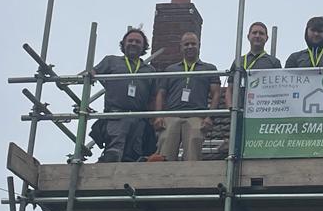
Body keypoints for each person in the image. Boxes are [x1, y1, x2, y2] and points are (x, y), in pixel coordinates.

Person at [92, 28, 159, 162]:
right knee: (115, 149)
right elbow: (92, 73)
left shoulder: (149, 70)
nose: (133, 43)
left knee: (133, 153)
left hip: (138, 118)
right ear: (123, 44)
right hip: (116, 114)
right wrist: (86, 76)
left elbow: (153, 97)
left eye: (138, 42)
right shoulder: (111, 61)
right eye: (130, 41)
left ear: (143, 47)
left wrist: (155, 118)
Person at [153, 32, 221, 161]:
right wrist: (158, 116)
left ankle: (191, 174)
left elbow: (216, 94)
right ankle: (164, 174)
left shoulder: (209, 68)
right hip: (172, 115)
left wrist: (209, 117)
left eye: (193, 44)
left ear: (199, 45)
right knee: (165, 149)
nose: (190, 46)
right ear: (181, 47)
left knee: (193, 149)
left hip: (196, 115)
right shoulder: (170, 70)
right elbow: (161, 94)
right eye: (186, 44)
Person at [224, 21, 282, 110]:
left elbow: (279, 91)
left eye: (261, 33)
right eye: (254, 33)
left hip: (262, 110)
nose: (257, 36)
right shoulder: (239, 61)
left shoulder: (273, 62)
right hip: (239, 110)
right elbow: (230, 89)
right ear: (248, 36)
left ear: (266, 38)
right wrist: (231, 108)